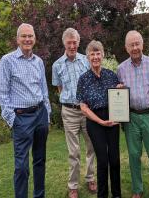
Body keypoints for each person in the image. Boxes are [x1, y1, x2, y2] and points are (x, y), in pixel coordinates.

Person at [0, 23, 51, 198]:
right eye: (24, 36)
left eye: (30, 36)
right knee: (21, 166)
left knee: (40, 160)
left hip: (40, 114)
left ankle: (39, 195)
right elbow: (2, 96)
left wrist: (47, 113)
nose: (27, 39)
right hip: (21, 118)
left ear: (35, 39)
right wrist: (13, 120)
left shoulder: (39, 61)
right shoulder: (7, 61)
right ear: (17, 39)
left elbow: (44, 90)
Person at [117, 30, 149, 198]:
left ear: (142, 44)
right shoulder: (121, 68)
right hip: (131, 117)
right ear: (126, 48)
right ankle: (137, 190)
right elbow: (119, 94)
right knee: (133, 154)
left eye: (137, 43)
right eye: (131, 45)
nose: (135, 47)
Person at [52, 28, 96, 198]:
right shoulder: (57, 65)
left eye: (75, 42)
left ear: (79, 42)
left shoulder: (86, 61)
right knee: (73, 151)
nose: (72, 45)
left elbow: (92, 84)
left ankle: (91, 178)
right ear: (64, 43)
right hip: (69, 112)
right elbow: (60, 88)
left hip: (86, 110)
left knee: (91, 146)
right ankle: (73, 185)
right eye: (69, 42)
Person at [76, 40, 121, 198]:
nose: (95, 57)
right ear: (88, 57)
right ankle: (102, 195)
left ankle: (117, 194)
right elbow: (83, 107)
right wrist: (101, 121)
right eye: (92, 54)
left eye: (98, 53)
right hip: (95, 122)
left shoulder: (111, 75)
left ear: (102, 55)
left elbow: (119, 97)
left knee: (114, 160)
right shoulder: (83, 79)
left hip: (113, 118)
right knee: (102, 161)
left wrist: (120, 91)